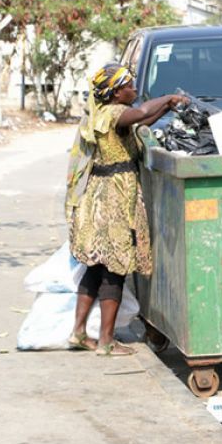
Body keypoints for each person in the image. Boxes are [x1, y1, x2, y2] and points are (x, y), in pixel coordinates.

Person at [65, 63, 188, 356]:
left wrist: (167, 108)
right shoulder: (114, 113)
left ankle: (79, 333)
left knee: (95, 266)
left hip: (97, 195)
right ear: (117, 93)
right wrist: (169, 97)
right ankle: (106, 341)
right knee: (115, 270)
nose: (134, 89)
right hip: (114, 200)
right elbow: (143, 113)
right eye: (130, 86)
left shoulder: (102, 113)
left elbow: (143, 119)